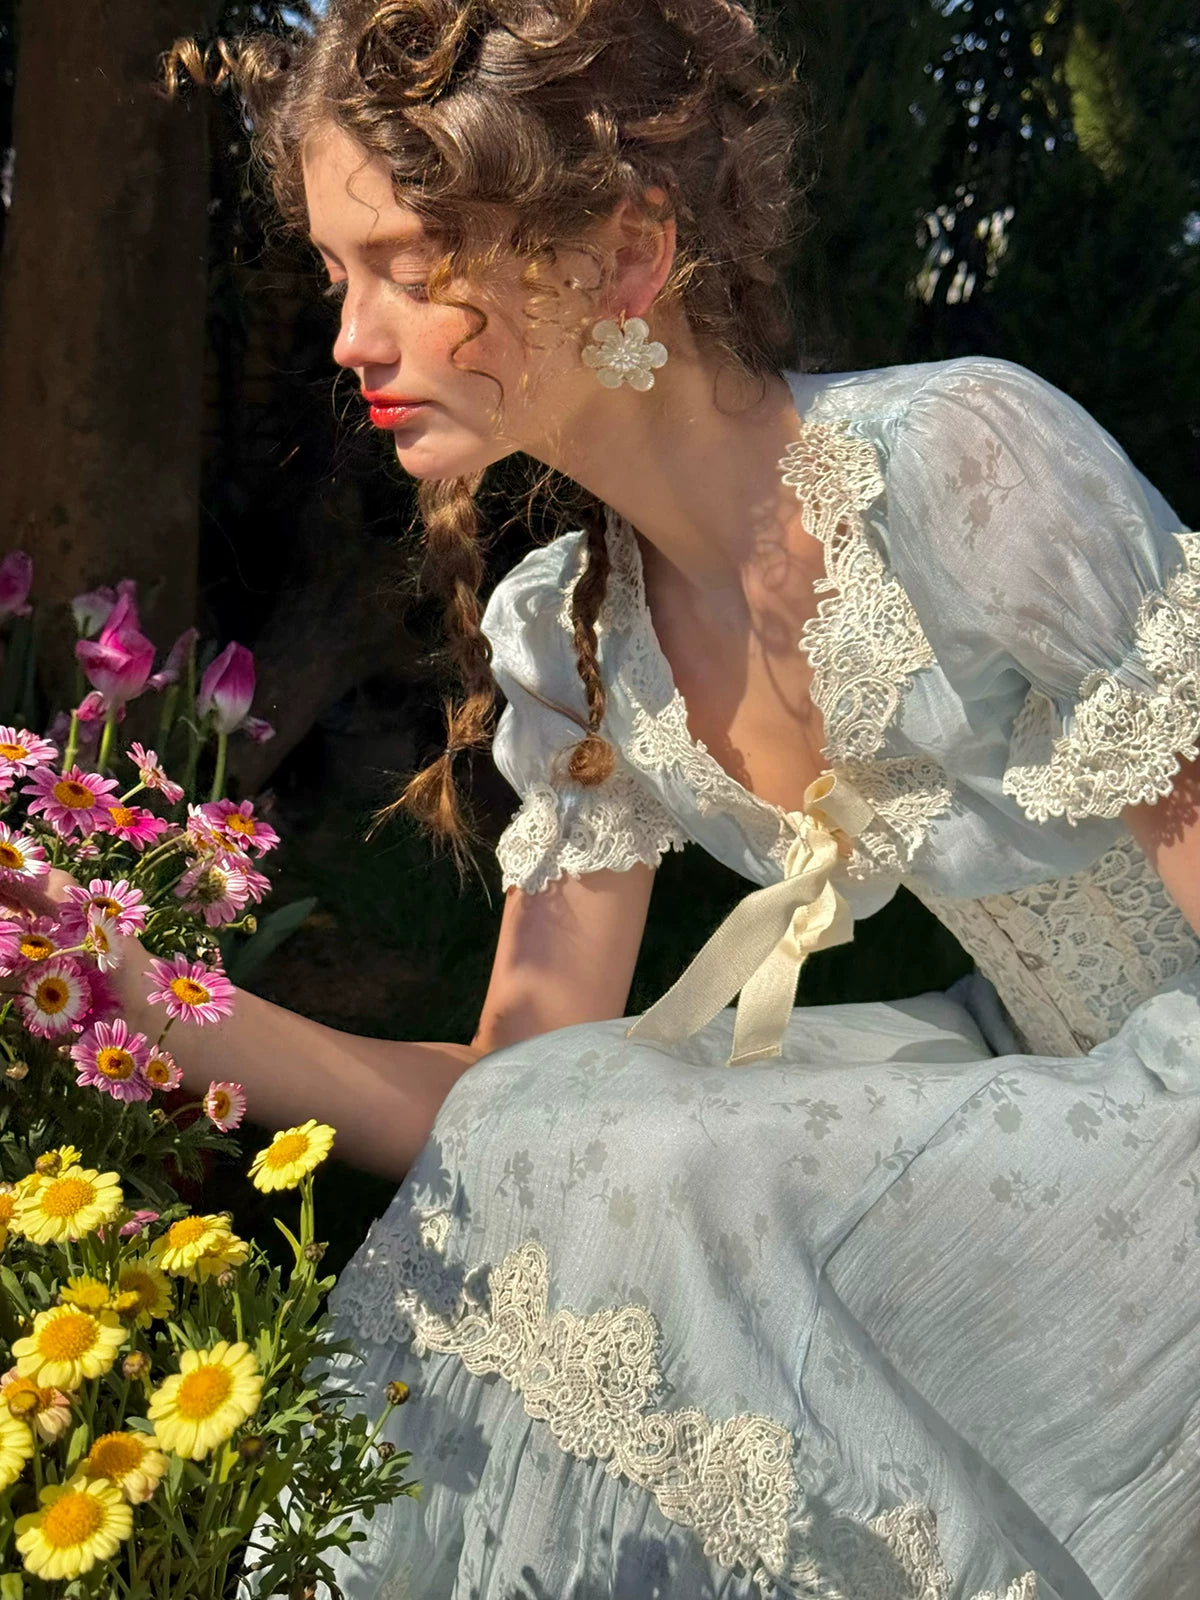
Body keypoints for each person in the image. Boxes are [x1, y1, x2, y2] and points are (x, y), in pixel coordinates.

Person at [141, 0, 1200, 1595]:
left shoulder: (960, 465)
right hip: (1040, 1085)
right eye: (339, 272)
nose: (350, 336)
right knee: (574, 1137)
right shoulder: (582, 633)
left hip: (1172, 1119)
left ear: (628, 255)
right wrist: (143, 1001)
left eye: (408, 264)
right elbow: (506, 1098)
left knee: (670, 1170)